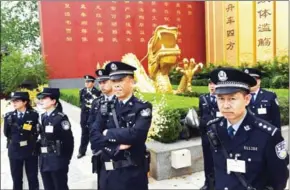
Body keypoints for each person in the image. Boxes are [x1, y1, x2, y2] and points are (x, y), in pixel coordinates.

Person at [206, 67, 289, 190]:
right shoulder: (214, 128)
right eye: (221, 98)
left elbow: (279, 179)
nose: (225, 105)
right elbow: (213, 171)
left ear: (246, 99)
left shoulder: (267, 134)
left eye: (232, 99)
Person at [90, 61, 152, 190]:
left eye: (120, 80)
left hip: (131, 174)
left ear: (131, 81)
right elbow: (93, 136)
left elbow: (137, 135)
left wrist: (107, 133)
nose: (116, 84)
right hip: (107, 173)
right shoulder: (105, 107)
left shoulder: (142, 107)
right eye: (113, 81)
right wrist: (116, 146)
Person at [37, 88, 74, 190]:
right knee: (48, 186)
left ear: (53, 101)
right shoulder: (43, 116)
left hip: (57, 159)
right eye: (41, 98)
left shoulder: (60, 118)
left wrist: (66, 159)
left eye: (45, 98)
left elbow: (68, 141)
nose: (41, 100)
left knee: (59, 186)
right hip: (44, 159)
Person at [4, 92, 39, 190]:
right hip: (14, 150)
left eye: (17, 101)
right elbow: (7, 133)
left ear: (25, 102)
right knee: (16, 179)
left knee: (32, 177)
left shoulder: (33, 115)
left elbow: (36, 131)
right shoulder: (9, 116)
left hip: (30, 149)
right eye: (13, 101)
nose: (14, 103)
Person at [198, 78, 221, 190]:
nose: (212, 86)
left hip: (219, 135)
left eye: (214, 84)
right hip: (207, 135)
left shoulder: (222, 99)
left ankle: (219, 183)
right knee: (208, 161)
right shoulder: (203, 98)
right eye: (210, 84)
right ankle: (208, 183)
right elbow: (201, 115)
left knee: (219, 161)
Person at [78, 75, 101, 159]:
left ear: (93, 82)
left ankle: (95, 150)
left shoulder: (97, 92)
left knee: (93, 133)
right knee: (84, 134)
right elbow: (80, 103)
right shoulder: (82, 91)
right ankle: (81, 151)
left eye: (88, 82)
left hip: (93, 116)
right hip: (84, 116)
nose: (86, 83)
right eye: (86, 82)